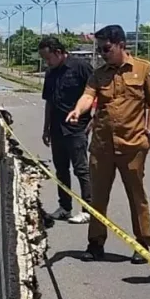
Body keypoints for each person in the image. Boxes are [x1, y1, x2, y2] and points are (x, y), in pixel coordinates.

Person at [65, 24, 150, 263]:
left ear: (121, 45)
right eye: (100, 49)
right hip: (102, 146)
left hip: (132, 145)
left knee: (136, 195)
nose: (102, 53)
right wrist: (78, 110)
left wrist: (149, 133)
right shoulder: (99, 73)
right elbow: (89, 95)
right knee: (98, 196)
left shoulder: (143, 69)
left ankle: (142, 244)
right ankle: (95, 243)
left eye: (106, 48)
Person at [39, 36, 93, 224]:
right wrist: (46, 128)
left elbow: (96, 93)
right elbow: (49, 102)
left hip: (76, 128)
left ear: (59, 52)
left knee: (81, 170)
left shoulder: (80, 67)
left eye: (48, 58)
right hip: (56, 128)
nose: (47, 62)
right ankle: (65, 207)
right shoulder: (50, 73)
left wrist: (93, 120)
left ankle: (87, 209)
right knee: (61, 170)